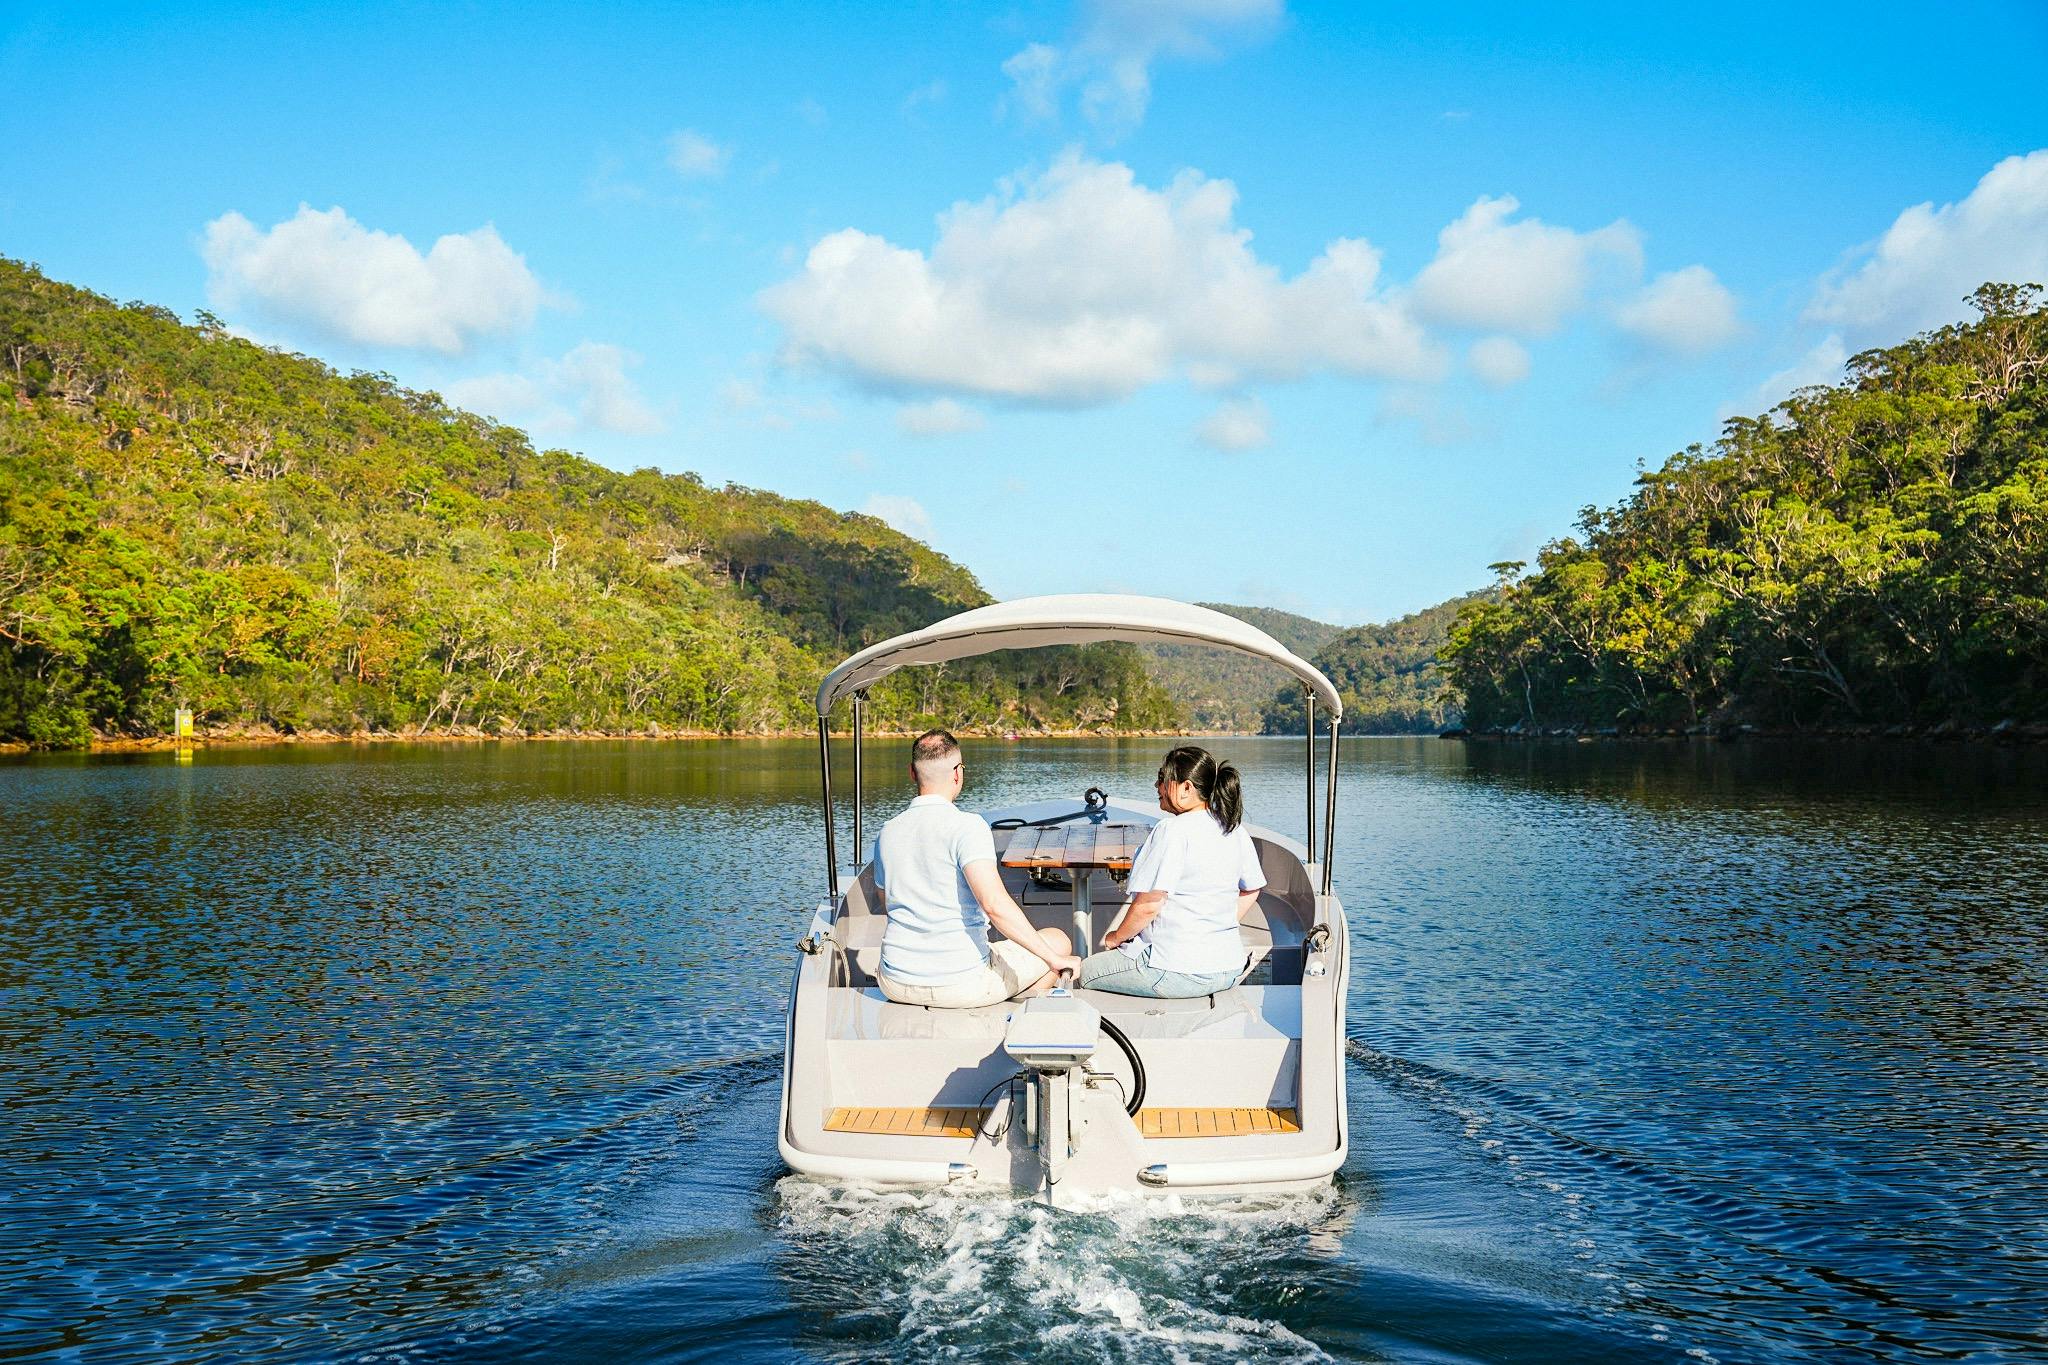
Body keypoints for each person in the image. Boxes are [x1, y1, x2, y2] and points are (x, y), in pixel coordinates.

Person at [871, 729, 1081, 1008]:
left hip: (894, 982)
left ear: (912, 772)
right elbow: (994, 905)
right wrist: (1054, 959)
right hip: (960, 985)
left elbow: (886, 902)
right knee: (1057, 940)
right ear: (958, 773)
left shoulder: (888, 832)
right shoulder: (967, 826)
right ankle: (1020, 1005)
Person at [1079, 745, 1265, 998]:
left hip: (1175, 970)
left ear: (1186, 787)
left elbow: (1149, 905)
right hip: (1229, 968)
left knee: (1083, 972)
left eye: (1162, 779)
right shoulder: (1233, 828)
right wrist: (1217, 923)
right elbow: (1252, 888)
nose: (1157, 786)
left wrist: (1115, 938)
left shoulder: (1172, 830)